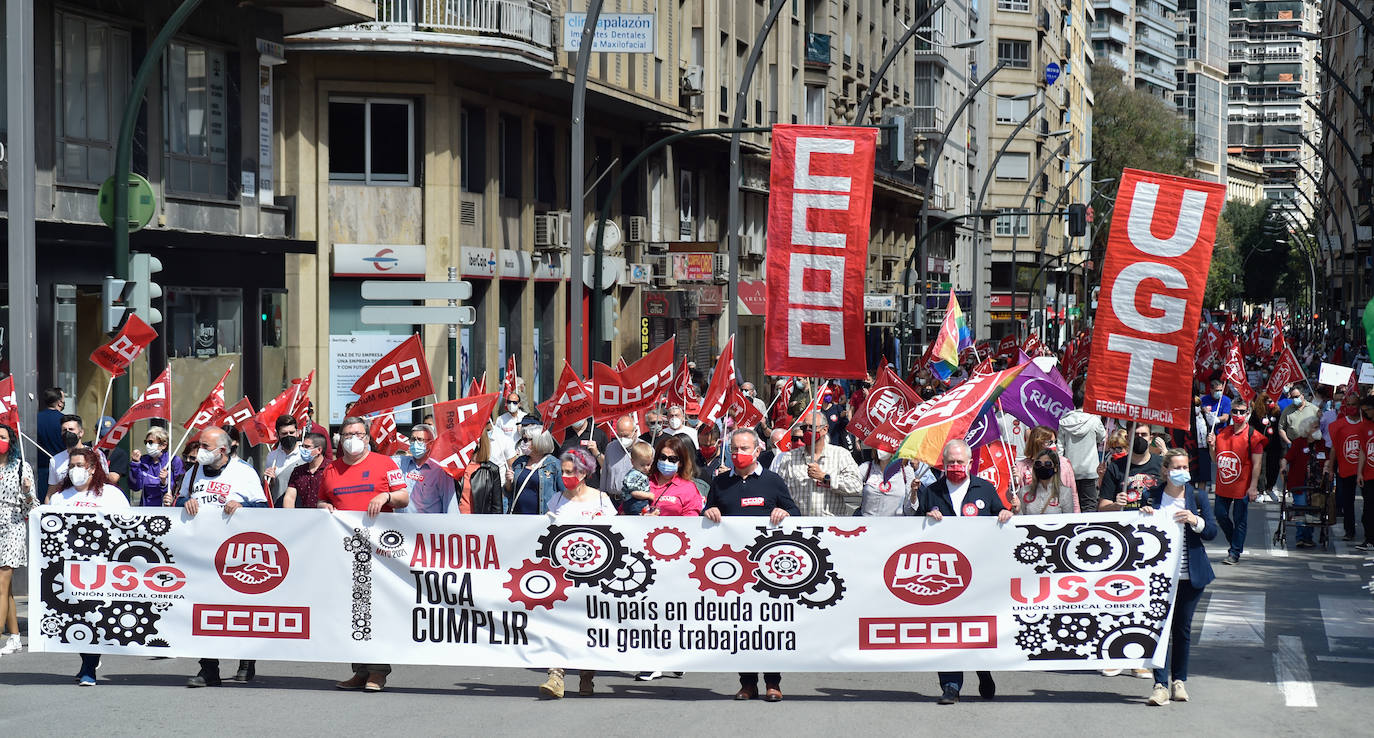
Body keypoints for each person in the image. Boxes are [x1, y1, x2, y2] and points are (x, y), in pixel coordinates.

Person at [914, 439, 1013, 705]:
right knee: (945, 628)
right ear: (943, 464)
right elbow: (913, 527)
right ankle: (950, 686)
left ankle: (983, 670)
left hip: (979, 572)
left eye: (960, 462)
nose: (955, 466)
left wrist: (1005, 513)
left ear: (970, 463)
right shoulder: (932, 491)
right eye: (950, 462)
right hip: (944, 574)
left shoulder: (985, 488)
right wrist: (925, 517)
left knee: (976, 626)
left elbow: (1000, 513)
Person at [704, 429, 799, 702]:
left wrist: (784, 512)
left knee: (768, 626)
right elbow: (706, 513)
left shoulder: (772, 481)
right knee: (740, 626)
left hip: (768, 568)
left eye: (744, 448)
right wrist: (708, 511)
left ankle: (773, 682)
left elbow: (795, 512)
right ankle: (747, 683)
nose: (738, 454)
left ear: (757, 451)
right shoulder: (720, 482)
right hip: (732, 569)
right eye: (734, 448)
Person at [173, 427, 270, 687]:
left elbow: (263, 507)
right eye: (200, 446)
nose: (200, 451)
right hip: (201, 553)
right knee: (204, 610)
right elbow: (179, 500)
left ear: (223, 450)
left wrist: (243, 506)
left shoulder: (243, 472)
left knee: (239, 609)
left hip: (236, 555)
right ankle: (209, 669)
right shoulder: (193, 472)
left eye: (206, 447)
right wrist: (185, 503)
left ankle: (246, 660)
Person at [320, 417, 409, 693]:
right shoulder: (331, 469)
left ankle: (378, 671)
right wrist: (323, 507)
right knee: (351, 610)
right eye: (347, 434)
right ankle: (359, 669)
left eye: (357, 433)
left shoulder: (385, 464)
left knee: (376, 609)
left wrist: (386, 497)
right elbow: (323, 499)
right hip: (345, 550)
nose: (352, 438)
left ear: (367, 437)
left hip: (380, 550)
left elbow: (403, 497)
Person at [1141, 448, 1218, 706]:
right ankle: (1160, 685)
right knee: (1159, 629)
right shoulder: (1152, 496)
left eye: (1185, 467)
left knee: (1182, 630)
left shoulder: (1197, 496)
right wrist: (1142, 514)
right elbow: (1136, 530)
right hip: (1159, 577)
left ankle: (1179, 681)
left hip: (1190, 574)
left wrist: (1195, 520)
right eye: (1176, 467)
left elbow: (1211, 532)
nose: (1182, 472)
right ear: (1165, 470)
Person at [539, 448, 615, 699]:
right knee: (558, 624)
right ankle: (556, 675)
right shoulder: (556, 500)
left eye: (571, 472)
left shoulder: (601, 499)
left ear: (584, 473)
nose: (565, 476)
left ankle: (586, 675)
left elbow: (617, 532)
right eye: (563, 472)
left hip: (595, 576)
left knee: (587, 626)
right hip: (562, 575)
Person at [47, 448, 127, 685]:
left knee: (94, 617)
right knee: (76, 617)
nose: (75, 470)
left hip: (102, 569)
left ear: (92, 468)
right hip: (70, 570)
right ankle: (87, 660)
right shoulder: (60, 498)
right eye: (71, 466)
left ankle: (89, 667)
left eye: (79, 465)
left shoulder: (111, 495)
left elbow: (127, 526)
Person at [773, 411, 862, 515]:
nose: (807, 431)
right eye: (804, 428)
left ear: (825, 429)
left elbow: (856, 486)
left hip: (830, 522)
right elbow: (778, 491)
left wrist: (825, 478)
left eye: (812, 427)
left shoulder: (840, 454)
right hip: (799, 521)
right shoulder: (789, 458)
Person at [0, 423, 37, 658]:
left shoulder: (22, 467)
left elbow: (32, 506)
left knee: (1, 584)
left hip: (12, 526)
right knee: (6, 589)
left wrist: (26, 491)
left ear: (11, 440)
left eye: (2, 436)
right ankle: (14, 637)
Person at [1323, 392, 1369, 545]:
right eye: (1348, 404)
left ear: (1359, 405)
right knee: (1347, 502)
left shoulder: (1367, 424)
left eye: (1354, 404)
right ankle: (1349, 531)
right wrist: (1331, 469)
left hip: (1366, 471)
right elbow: (1334, 448)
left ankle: (1368, 531)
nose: (1351, 407)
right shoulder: (1339, 425)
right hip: (1345, 469)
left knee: (1369, 502)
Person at [1059, 385, 1106, 512]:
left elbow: (1060, 447)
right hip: (1090, 469)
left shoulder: (1064, 421)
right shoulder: (1094, 420)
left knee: (1070, 505)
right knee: (1089, 505)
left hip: (1069, 469)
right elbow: (1103, 437)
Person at [393, 423, 459, 514]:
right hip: (401, 522)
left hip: (428, 522)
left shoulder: (441, 471)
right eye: (413, 439)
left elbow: (450, 505)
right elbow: (381, 460)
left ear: (431, 444)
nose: (415, 443)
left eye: (420, 440)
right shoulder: (401, 462)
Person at [1098, 424, 1163, 512]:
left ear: (1150, 439)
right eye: (1135, 435)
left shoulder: (1162, 465)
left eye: (1144, 435)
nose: (1139, 438)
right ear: (1127, 438)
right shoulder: (1115, 467)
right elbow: (1102, 507)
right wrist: (1116, 506)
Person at [1014, 426, 1079, 512]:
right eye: (1049, 442)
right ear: (1037, 443)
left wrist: (1076, 517)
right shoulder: (1021, 466)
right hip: (1031, 515)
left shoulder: (1064, 463)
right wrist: (1015, 485)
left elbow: (1073, 496)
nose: (1053, 445)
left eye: (1055, 442)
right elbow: (1015, 499)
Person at [47, 415, 110, 498]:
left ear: (81, 433)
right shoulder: (55, 460)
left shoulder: (96, 454)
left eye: (71, 429)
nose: (67, 432)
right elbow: (51, 492)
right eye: (64, 430)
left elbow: (105, 480)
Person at [857, 449, 929, 517]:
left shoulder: (906, 471)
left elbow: (910, 511)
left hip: (895, 524)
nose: (882, 449)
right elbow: (852, 484)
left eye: (886, 445)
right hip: (868, 523)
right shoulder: (866, 467)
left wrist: (913, 492)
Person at [508, 427, 563, 514]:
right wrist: (508, 481)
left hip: (542, 517)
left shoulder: (554, 464)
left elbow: (564, 493)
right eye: (522, 439)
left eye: (525, 440)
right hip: (517, 516)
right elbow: (508, 491)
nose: (522, 443)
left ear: (538, 441)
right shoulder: (519, 462)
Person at [127, 425, 183, 507]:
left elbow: (179, 488)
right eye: (146, 442)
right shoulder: (143, 460)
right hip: (146, 509)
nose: (147, 445)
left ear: (163, 445)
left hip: (166, 509)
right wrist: (135, 465)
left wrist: (164, 482)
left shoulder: (174, 461)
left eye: (150, 442)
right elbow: (135, 487)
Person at [1017, 448, 1077, 515]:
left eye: (1047, 464)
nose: (1042, 467)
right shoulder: (1024, 491)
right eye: (1038, 464)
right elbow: (1019, 517)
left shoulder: (1065, 493)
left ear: (1055, 468)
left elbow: (1069, 519)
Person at [263, 415, 304, 507]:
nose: (288, 436)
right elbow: (269, 488)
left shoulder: (305, 455)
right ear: (277, 435)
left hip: (301, 507)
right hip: (279, 506)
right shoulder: (272, 456)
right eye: (284, 433)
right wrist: (267, 479)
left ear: (297, 433)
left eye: (291, 432)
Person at [461, 431, 505, 514]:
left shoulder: (491, 470)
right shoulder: (457, 467)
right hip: (456, 519)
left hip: (479, 520)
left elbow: (497, 508)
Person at [600, 415, 640, 503]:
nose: (622, 439)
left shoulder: (645, 449)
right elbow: (605, 475)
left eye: (626, 435)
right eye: (619, 435)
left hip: (634, 501)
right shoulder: (610, 447)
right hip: (612, 500)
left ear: (635, 432)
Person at [283, 432, 328, 509]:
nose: (303, 449)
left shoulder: (332, 469)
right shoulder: (298, 471)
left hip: (327, 514)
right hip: (305, 514)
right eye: (302, 446)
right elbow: (289, 497)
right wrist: (289, 514)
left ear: (319, 450)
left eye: (307, 447)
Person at [35, 387, 66, 488]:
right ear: (59, 403)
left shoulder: (35, 419)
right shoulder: (66, 421)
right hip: (61, 467)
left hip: (40, 468)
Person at [619, 441, 656, 515]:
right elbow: (634, 492)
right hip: (634, 503)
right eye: (642, 465)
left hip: (639, 502)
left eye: (648, 464)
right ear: (632, 462)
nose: (646, 468)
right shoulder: (634, 475)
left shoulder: (641, 473)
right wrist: (649, 495)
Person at [96, 416, 130, 493]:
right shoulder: (87, 448)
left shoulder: (120, 453)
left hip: (109, 492)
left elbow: (113, 478)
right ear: (95, 432)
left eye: (110, 434)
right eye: (104, 435)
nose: (107, 438)